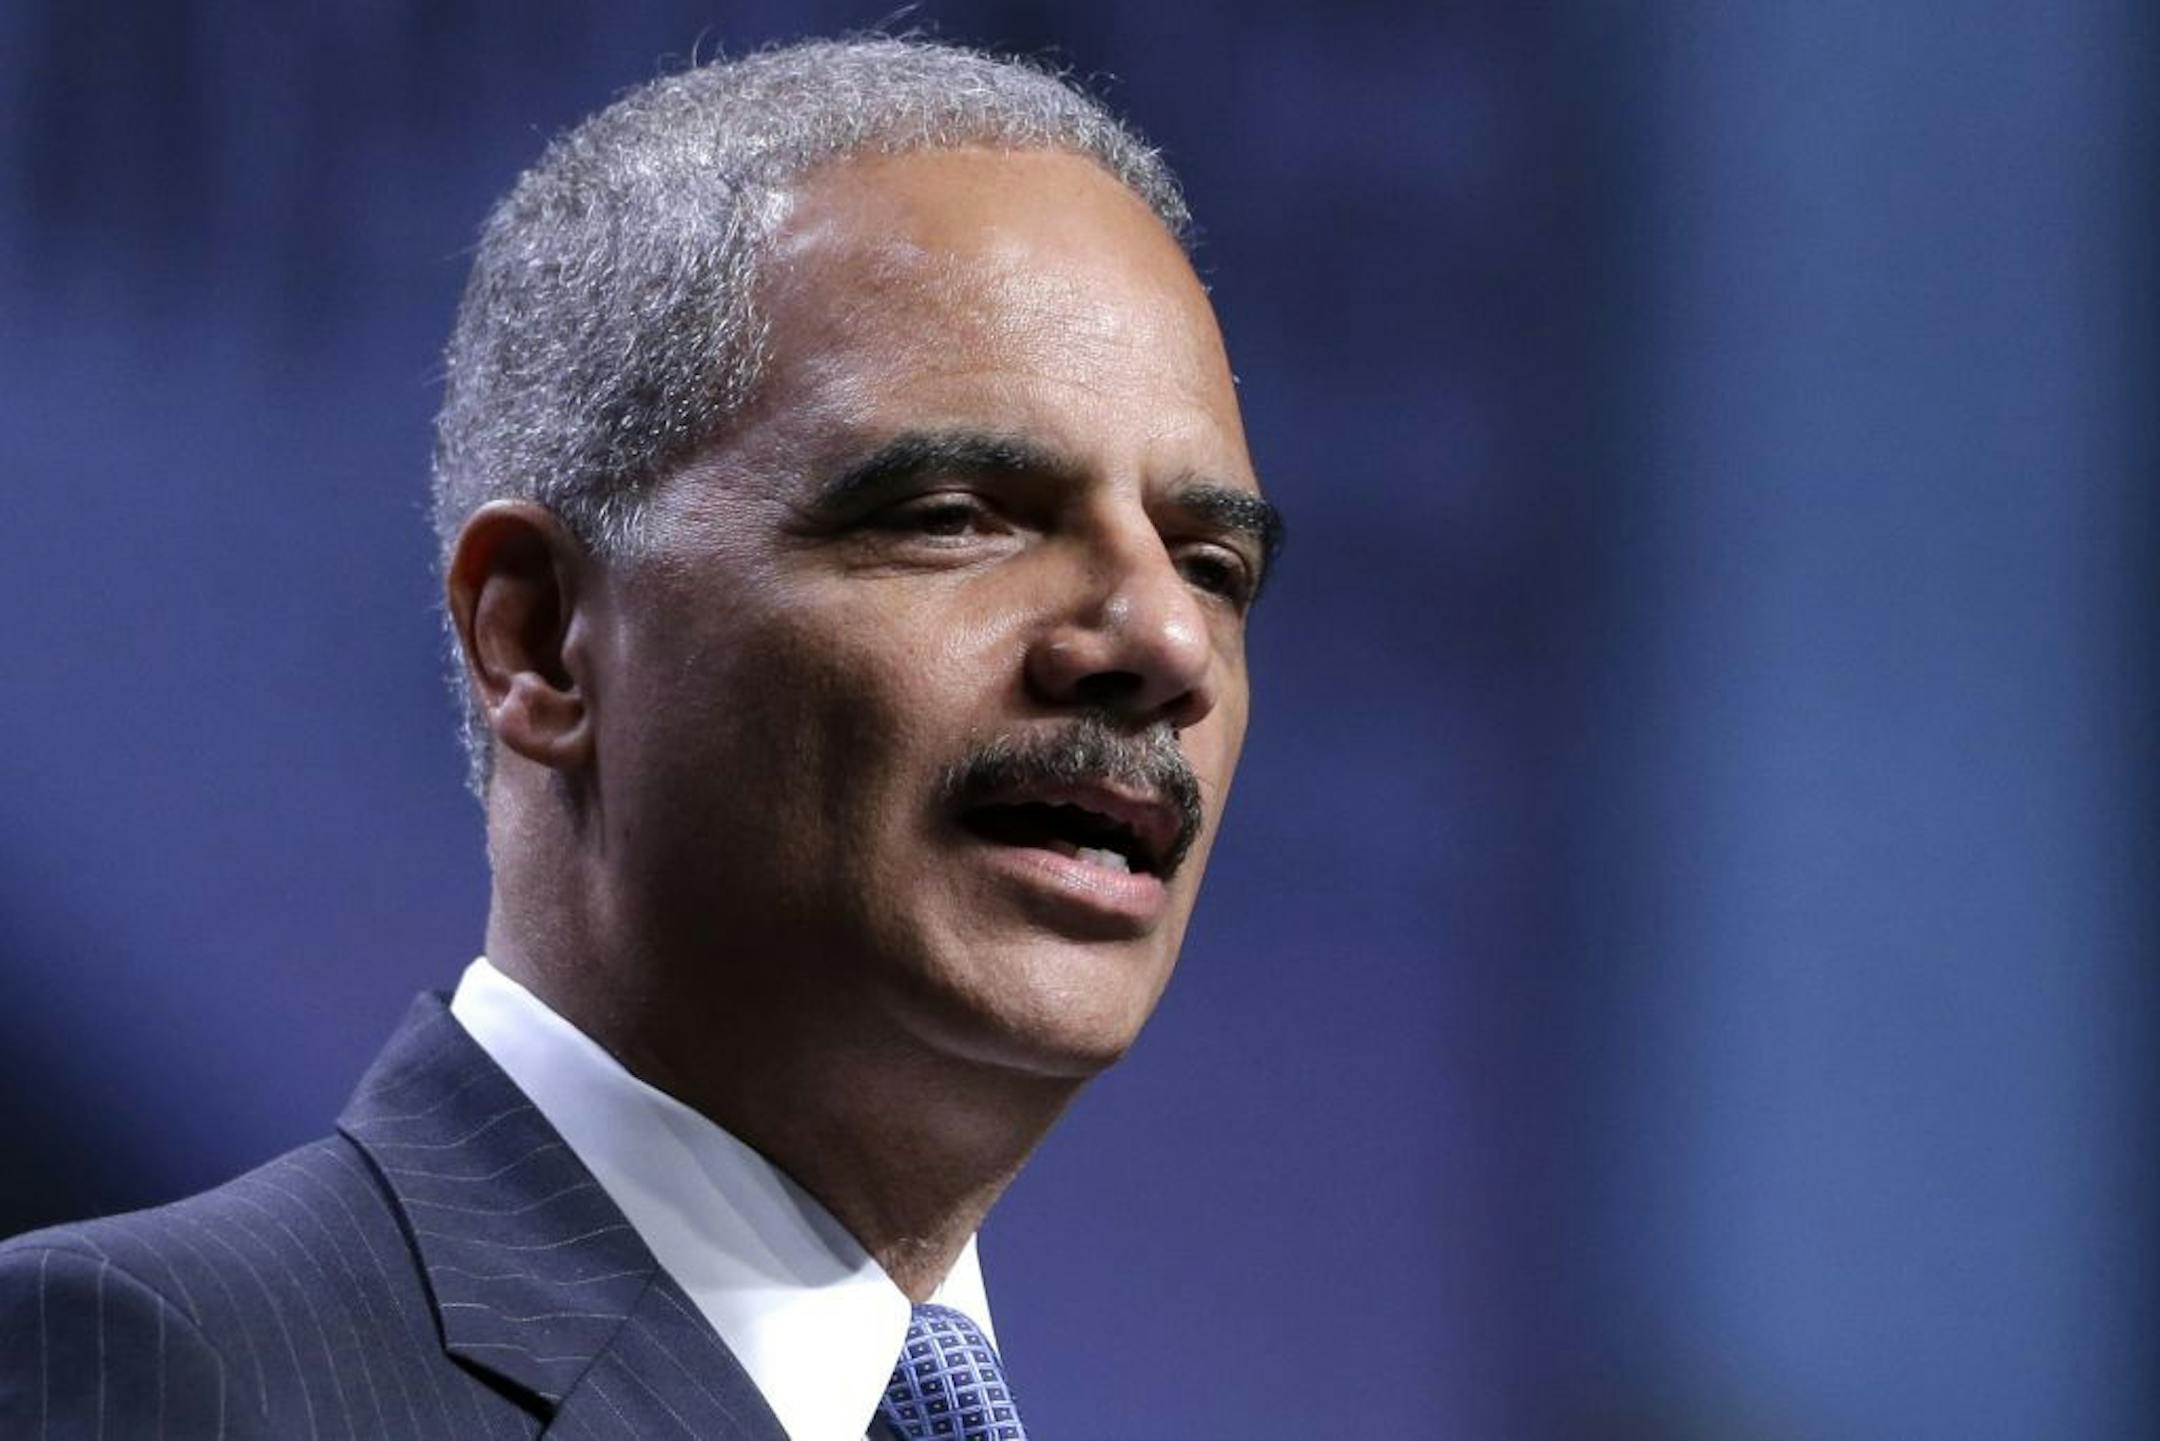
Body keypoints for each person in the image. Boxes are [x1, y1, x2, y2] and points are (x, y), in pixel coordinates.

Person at [0, 34, 1280, 1441]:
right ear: (540, 638)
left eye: (1212, 563)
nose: (1163, 643)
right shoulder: (158, 1371)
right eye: (956, 516)